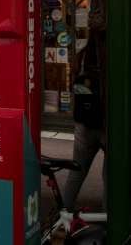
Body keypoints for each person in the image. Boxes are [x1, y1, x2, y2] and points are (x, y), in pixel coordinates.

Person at [62, 42, 106, 210]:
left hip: (84, 122)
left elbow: (74, 87)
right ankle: (108, 220)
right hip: (106, 124)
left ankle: (64, 213)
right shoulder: (114, 53)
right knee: (110, 176)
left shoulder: (82, 55)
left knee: (76, 172)